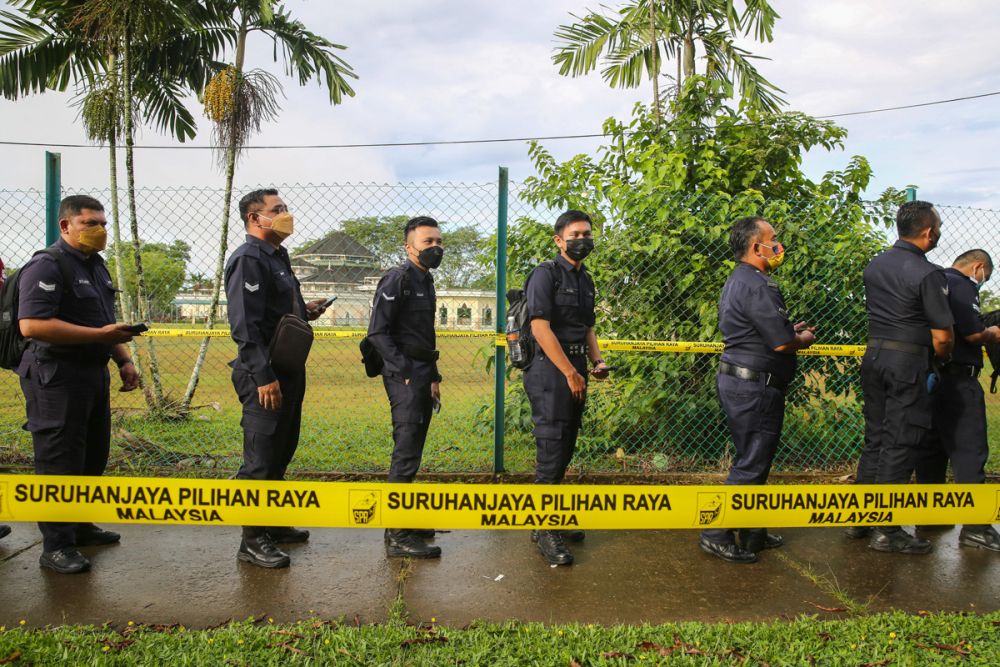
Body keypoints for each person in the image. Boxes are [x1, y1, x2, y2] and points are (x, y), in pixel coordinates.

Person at [16, 195, 140, 574]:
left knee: (92, 455)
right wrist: (100, 335)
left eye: (103, 223)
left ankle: (80, 525)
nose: (100, 230)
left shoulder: (96, 267)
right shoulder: (47, 265)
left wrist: (123, 359)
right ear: (66, 226)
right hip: (56, 375)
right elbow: (32, 325)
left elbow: (104, 320)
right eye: (90, 223)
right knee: (60, 460)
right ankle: (57, 545)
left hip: (91, 373)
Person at [699, 217, 815, 564]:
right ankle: (715, 533)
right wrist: (801, 338)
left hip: (742, 381)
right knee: (751, 463)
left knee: (753, 459)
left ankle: (752, 530)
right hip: (755, 386)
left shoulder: (739, 279)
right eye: (773, 239)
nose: (778, 245)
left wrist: (787, 331)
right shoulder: (758, 284)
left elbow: (763, 330)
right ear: (756, 247)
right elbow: (781, 343)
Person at [225, 188, 329, 569]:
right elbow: (245, 325)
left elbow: (274, 311)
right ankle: (252, 540)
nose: (286, 214)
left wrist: (304, 310)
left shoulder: (277, 256)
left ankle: (271, 522)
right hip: (264, 375)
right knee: (260, 459)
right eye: (278, 209)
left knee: (282, 450)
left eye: (285, 207)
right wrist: (263, 377)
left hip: (288, 369)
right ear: (255, 218)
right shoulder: (248, 260)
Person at [850, 200, 954, 555]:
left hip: (874, 357)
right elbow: (943, 337)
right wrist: (942, 360)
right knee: (900, 441)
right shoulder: (928, 274)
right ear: (928, 232)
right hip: (908, 363)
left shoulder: (876, 265)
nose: (938, 233)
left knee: (876, 438)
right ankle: (887, 530)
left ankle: (860, 519)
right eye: (938, 228)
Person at [523, 210, 609, 566]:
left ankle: (550, 515)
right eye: (575, 235)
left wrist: (596, 361)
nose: (582, 240)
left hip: (575, 367)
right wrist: (570, 373)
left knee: (566, 444)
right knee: (552, 445)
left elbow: (587, 328)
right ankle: (544, 529)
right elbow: (540, 328)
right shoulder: (546, 274)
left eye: (587, 234)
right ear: (559, 240)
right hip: (549, 369)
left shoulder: (586, 279)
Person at [367, 216, 444, 559]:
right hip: (405, 375)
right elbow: (377, 333)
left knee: (414, 448)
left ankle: (404, 518)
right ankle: (397, 534)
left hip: (424, 372)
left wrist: (434, 376)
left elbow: (425, 335)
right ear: (409, 246)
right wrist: (406, 372)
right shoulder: (397, 279)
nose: (435, 247)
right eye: (428, 242)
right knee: (406, 450)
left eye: (438, 241)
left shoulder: (426, 279)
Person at [914, 250, 1000, 551]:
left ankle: (931, 516)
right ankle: (976, 527)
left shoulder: (934, 281)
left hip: (931, 377)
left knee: (931, 448)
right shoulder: (962, 285)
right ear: (978, 267)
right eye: (985, 276)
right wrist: (993, 332)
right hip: (960, 380)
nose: (982, 280)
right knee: (969, 449)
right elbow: (973, 333)